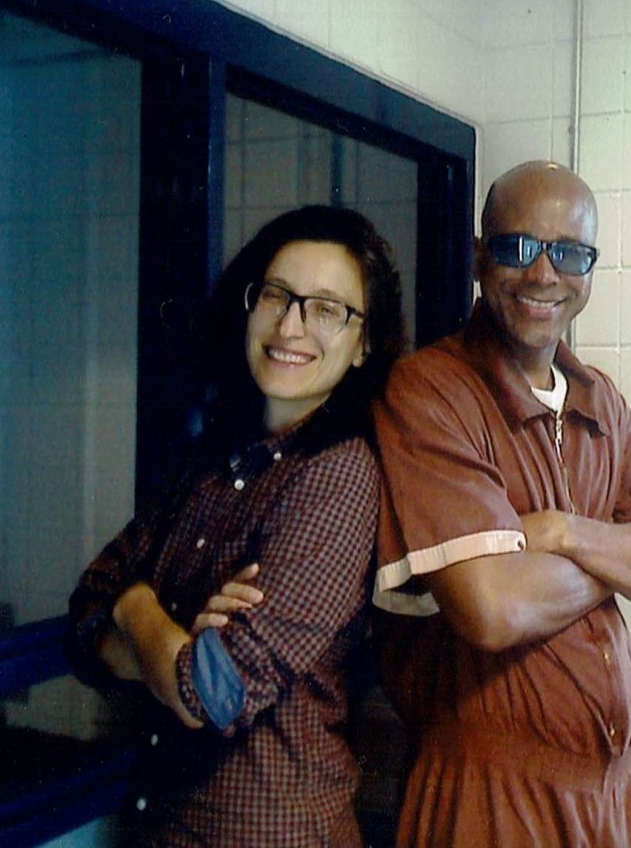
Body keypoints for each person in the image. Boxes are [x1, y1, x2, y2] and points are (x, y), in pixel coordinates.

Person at [372, 160, 631, 847]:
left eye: (568, 253)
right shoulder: (432, 390)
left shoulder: (598, 399)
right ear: (479, 256)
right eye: (517, 247)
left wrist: (563, 532)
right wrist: (628, 559)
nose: (542, 274)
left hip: (617, 793)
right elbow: (494, 609)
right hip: (492, 796)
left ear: (590, 268)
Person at [67, 205, 405, 847]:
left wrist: (134, 607)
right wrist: (166, 634)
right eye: (276, 295)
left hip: (274, 832)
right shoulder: (211, 460)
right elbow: (85, 614)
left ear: (365, 344)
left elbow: (210, 694)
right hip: (165, 828)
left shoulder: (339, 475)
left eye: (326, 309)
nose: (290, 325)